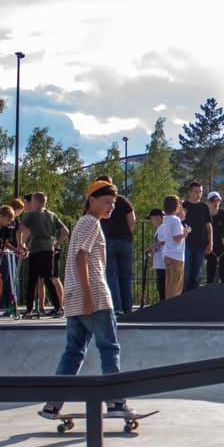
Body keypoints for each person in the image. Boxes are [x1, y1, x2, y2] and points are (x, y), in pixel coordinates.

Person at [40, 180, 134, 419]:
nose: (110, 208)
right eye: (106, 203)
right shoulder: (91, 223)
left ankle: (52, 404)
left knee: (73, 352)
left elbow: (74, 259)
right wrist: (89, 293)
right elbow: (81, 257)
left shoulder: (82, 224)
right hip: (95, 297)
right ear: (91, 200)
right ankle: (115, 402)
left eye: (112, 204)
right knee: (110, 348)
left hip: (73, 299)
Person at [17, 192, 68, 317]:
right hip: (49, 249)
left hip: (36, 248)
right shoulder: (52, 215)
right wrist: (57, 244)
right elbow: (65, 231)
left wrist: (20, 244)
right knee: (48, 278)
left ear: (36, 202)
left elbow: (20, 231)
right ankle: (58, 308)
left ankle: (29, 309)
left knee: (32, 280)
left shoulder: (32, 215)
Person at [97, 174, 135, 314]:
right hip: (124, 240)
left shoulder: (99, 201)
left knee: (112, 275)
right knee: (126, 275)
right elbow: (132, 220)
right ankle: (127, 307)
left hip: (108, 240)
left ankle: (117, 307)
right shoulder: (122, 200)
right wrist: (127, 234)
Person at [180, 181, 212, 292]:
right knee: (186, 272)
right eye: (196, 192)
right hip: (186, 244)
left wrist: (210, 242)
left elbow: (209, 226)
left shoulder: (204, 207)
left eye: (200, 192)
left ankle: (194, 295)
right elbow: (177, 222)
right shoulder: (183, 206)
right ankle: (184, 296)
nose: (198, 194)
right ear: (189, 192)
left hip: (200, 244)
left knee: (197, 273)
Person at [159, 195, 187, 298]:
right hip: (176, 254)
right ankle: (172, 307)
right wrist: (184, 234)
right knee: (176, 286)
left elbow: (183, 217)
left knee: (169, 284)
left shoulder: (166, 219)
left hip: (167, 253)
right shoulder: (175, 220)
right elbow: (176, 238)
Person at [205, 191, 224, 285]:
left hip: (223, 249)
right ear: (208, 202)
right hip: (209, 249)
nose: (216, 203)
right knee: (210, 276)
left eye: (218, 200)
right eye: (213, 200)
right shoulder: (204, 215)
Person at [145, 208, 166, 302]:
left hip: (163, 263)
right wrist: (152, 250)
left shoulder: (164, 226)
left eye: (152, 219)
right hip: (159, 262)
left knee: (162, 286)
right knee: (160, 286)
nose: (151, 221)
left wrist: (150, 247)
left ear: (158, 217)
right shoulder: (159, 228)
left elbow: (163, 241)